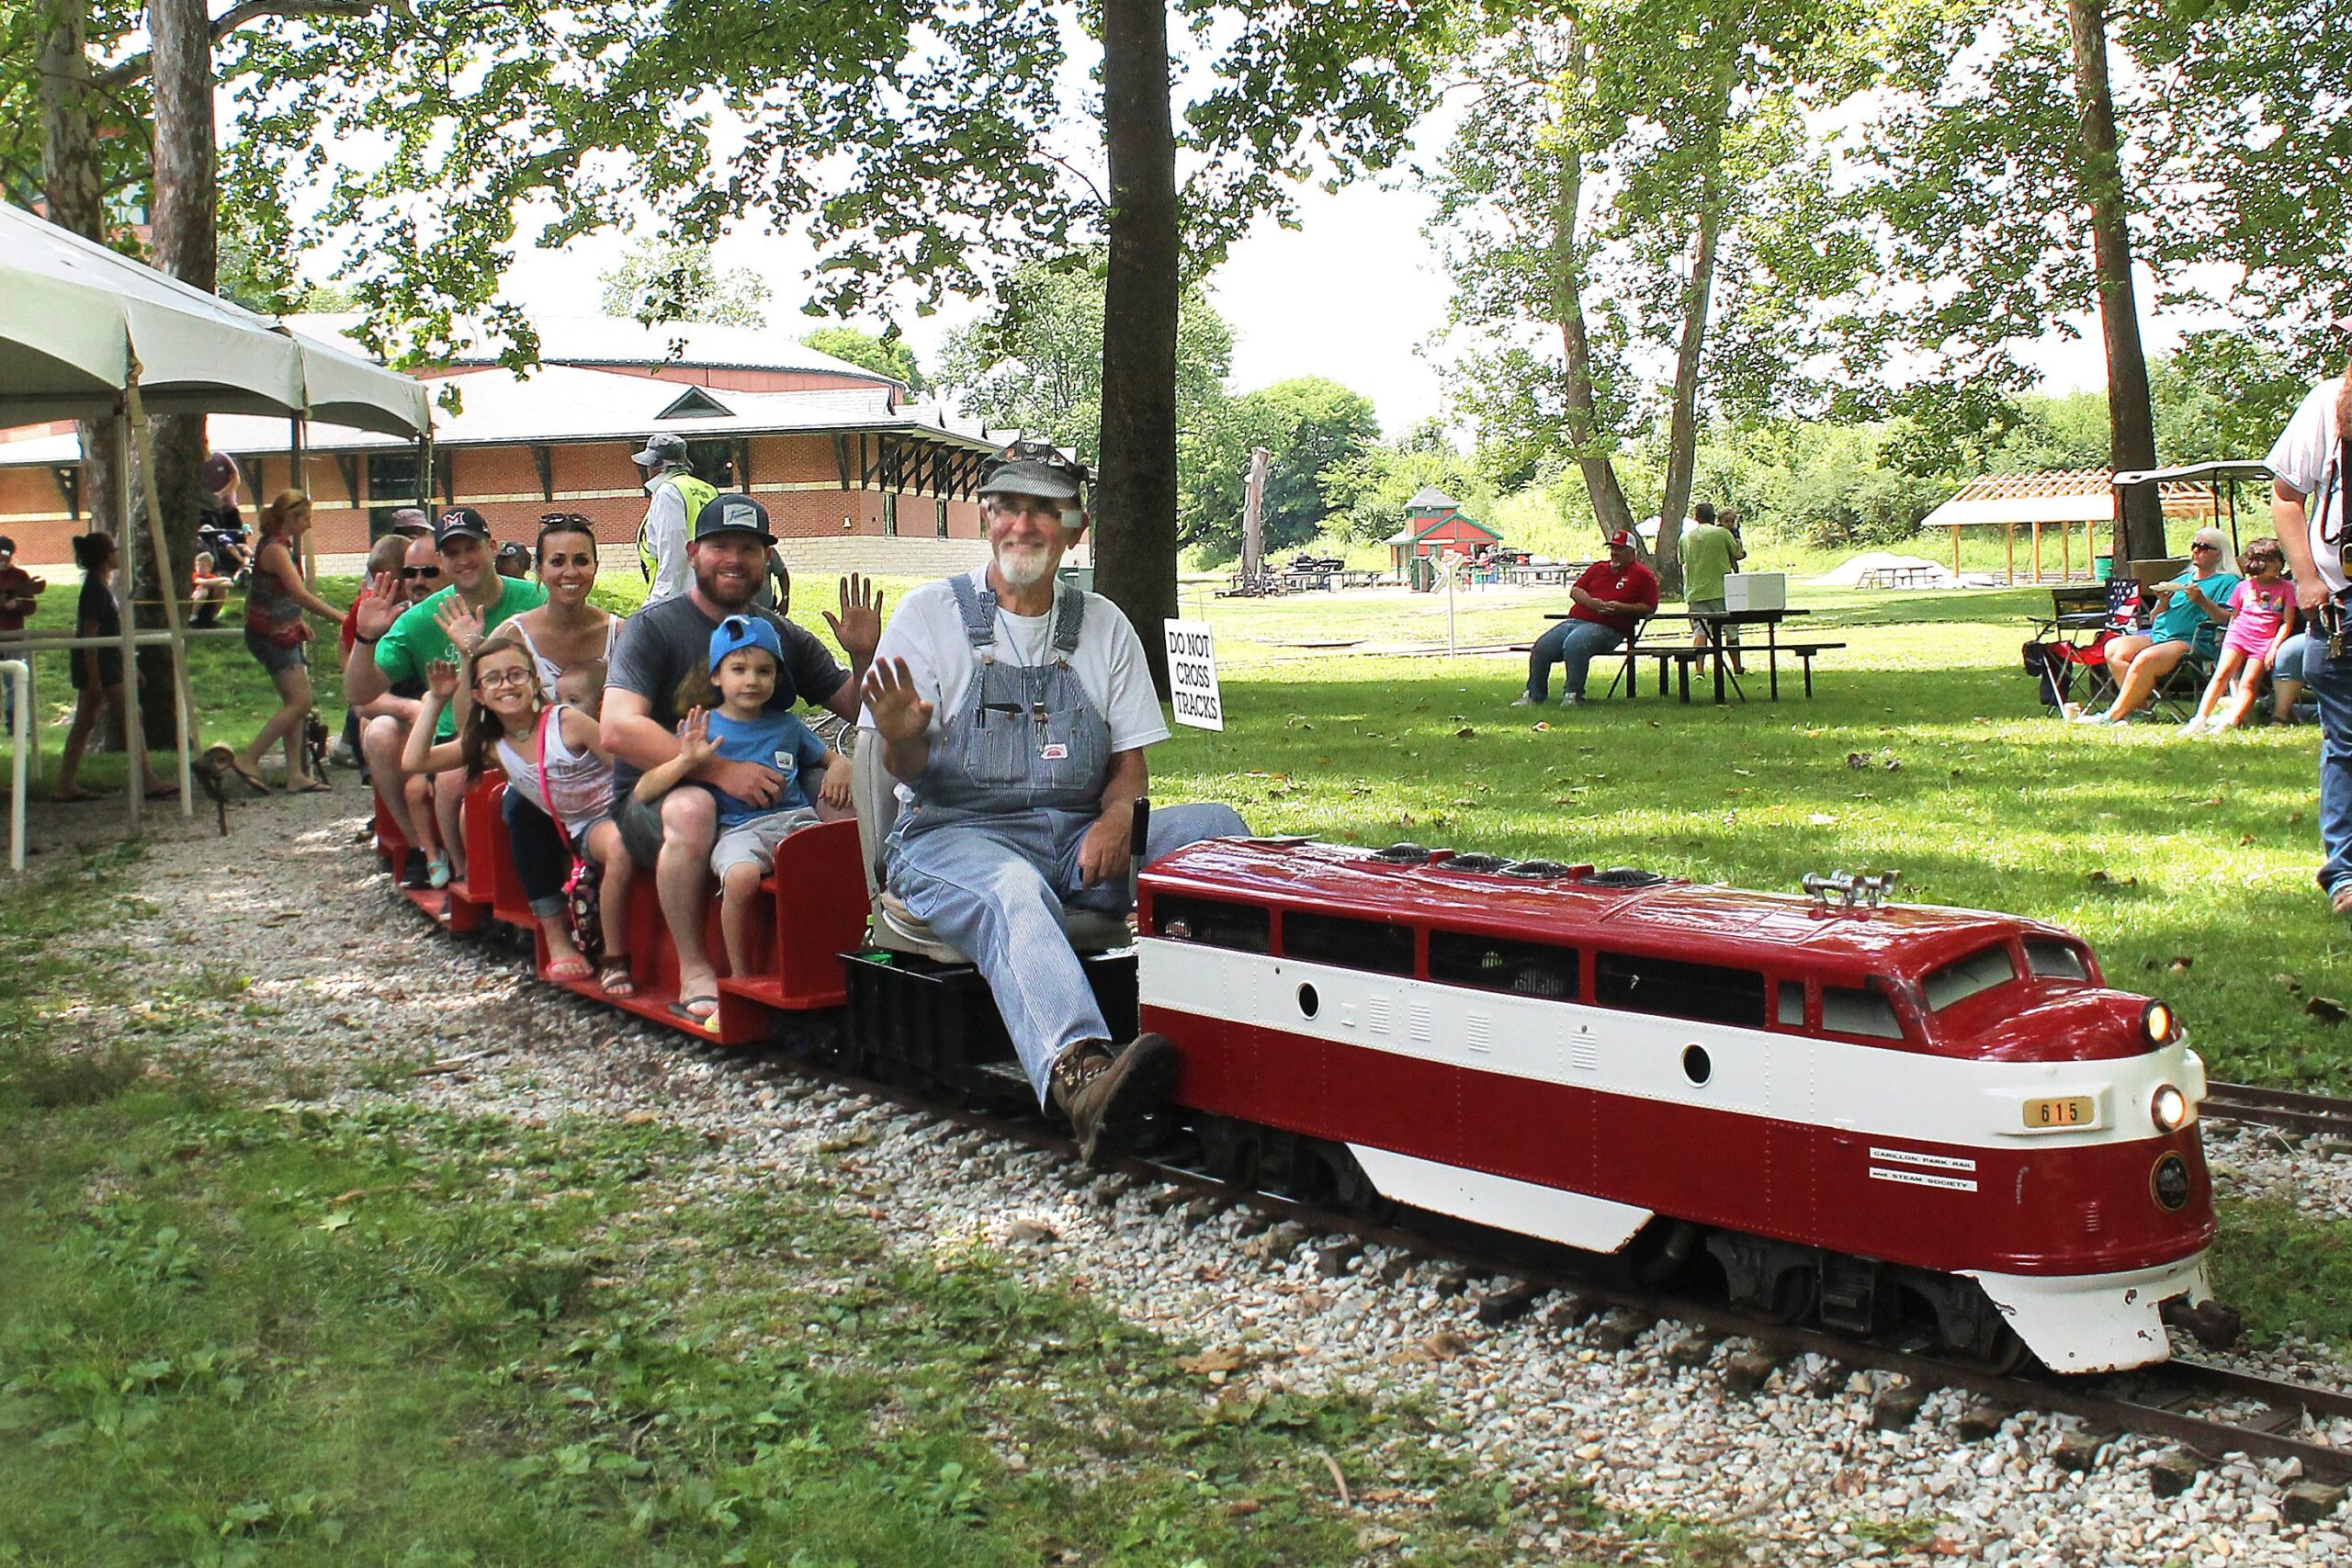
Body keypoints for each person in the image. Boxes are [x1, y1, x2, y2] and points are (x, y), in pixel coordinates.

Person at [859, 441, 1249, 1162]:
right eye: (1008, 505)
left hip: (1074, 837)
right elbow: (903, 767)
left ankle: (1243, 1032)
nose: (1023, 524)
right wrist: (902, 739)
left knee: (1219, 831)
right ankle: (1083, 1075)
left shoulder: (1104, 625)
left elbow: (1129, 766)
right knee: (1014, 887)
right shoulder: (928, 616)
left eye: (1045, 509)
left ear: (1077, 527)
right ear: (986, 518)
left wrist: (1116, 816)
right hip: (950, 839)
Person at [603, 493, 879, 1025]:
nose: (735, 559)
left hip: (766, 805)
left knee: (845, 795)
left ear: (766, 560)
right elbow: (618, 727)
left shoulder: (778, 636)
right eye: (720, 546)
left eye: (749, 548)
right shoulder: (653, 628)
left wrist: (862, 655)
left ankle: (843, 943)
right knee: (693, 809)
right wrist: (721, 772)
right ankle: (696, 968)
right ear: (692, 552)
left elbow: (861, 714)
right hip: (657, 797)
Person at [632, 615, 850, 1009]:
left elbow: (831, 756)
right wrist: (687, 761)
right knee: (741, 877)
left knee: (826, 856)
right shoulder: (704, 727)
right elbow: (644, 789)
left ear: (777, 679)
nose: (752, 680)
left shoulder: (787, 726)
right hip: (739, 830)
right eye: (739, 669)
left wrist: (840, 766)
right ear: (717, 676)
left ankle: (837, 951)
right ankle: (740, 971)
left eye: (764, 671)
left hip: (794, 821)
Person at [400, 637, 636, 996]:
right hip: (580, 825)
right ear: (479, 694)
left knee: (620, 841)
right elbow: (415, 761)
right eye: (492, 679)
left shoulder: (567, 721)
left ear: (534, 681)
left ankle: (615, 953)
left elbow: (621, 769)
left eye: (515, 675)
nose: (506, 685)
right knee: (531, 814)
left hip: (616, 809)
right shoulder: (491, 744)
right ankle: (599, 952)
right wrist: (435, 700)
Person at [347, 507, 547, 885]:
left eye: (470, 547)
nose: (463, 559)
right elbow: (359, 694)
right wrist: (365, 638)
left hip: (529, 723)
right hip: (457, 732)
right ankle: (450, 866)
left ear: (491, 547)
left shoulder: (534, 600)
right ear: (442, 560)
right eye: (452, 553)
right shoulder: (420, 619)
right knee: (455, 777)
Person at [2269, 365, 2352, 912]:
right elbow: (2285, 496)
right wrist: (2305, 579)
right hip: (2342, 605)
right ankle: (2345, 875)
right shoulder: (2327, 404)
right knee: (2346, 744)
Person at [224, 491, 345, 794]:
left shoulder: (280, 547)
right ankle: (249, 759)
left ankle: (296, 774)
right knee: (300, 702)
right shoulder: (276, 550)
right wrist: (342, 618)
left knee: (295, 704)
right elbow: (299, 594)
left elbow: (272, 593)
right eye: (306, 518)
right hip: (270, 636)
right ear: (290, 517)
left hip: (281, 630)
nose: (309, 524)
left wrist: (296, 620)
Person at [2070, 525, 2240, 725]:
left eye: (2203, 547)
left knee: (2145, 658)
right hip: (2159, 635)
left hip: (2191, 641)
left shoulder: (2228, 582)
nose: (2196, 551)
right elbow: (2154, 616)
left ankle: (2111, 716)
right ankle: (2141, 711)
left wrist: (2202, 601)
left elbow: (2228, 619)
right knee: (2115, 648)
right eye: (2194, 546)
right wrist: (2163, 602)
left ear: (2218, 554)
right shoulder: (2182, 579)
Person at [53, 533, 173, 803]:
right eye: (115, 551)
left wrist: (129, 666)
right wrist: (94, 677)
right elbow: (91, 635)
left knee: (87, 721)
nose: (118, 554)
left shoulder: (101, 588)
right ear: (107, 557)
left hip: (108, 661)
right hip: (100, 664)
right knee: (131, 714)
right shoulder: (95, 591)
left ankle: (66, 783)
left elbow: (113, 633)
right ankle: (146, 779)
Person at [1514, 529, 1660, 706]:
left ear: (1632, 553)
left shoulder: (1643, 576)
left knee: (1575, 644)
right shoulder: (1598, 568)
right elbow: (1575, 591)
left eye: (1620, 549)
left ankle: (1573, 695)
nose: (1614, 553)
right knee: (1542, 647)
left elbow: (1649, 607)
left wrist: (1621, 608)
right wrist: (1592, 603)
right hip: (1575, 621)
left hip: (1610, 628)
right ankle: (1533, 695)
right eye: (1612, 548)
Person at [2182, 538, 2296, 737]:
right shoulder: (2244, 586)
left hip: (2264, 640)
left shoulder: (2286, 588)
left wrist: (2274, 647)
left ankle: (2230, 722)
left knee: (2249, 682)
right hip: (2239, 635)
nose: (2277, 567)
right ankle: (2199, 719)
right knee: (2221, 674)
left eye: (2278, 562)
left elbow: (2287, 621)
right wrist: (2229, 639)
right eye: (2271, 563)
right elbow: (2234, 617)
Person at [631, 434, 717, 607]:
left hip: (681, 598)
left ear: (658, 465)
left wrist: (659, 603)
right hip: (709, 592)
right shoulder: (707, 489)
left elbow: (671, 548)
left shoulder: (668, 493)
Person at [1680, 502, 1747, 674]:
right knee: (1731, 630)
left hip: (1695, 592)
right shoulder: (1723, 534)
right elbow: (1737, 554)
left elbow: (1682, 561)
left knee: (1700, 631)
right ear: (1714, 517)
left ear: (1696, 518)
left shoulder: (1685, 538)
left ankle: (1699, 671)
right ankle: (1737, 667)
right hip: (1721, 590)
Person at [0, 534, 42, 734]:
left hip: (12, 634)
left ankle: (15, 724)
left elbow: (30, 606)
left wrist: (17, 605)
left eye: (5, 558)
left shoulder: (20, 577)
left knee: (14, 681)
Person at [188, 551, 232, 628]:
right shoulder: (194, 575)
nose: (200, 568)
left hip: (210, 601)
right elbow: (204, 582)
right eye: (198, 565)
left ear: (210, 568)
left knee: (224, 590)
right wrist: (222, 579)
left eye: (203, 566)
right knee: (203, 590)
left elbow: (230, 584)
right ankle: (193, 615)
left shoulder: (212, 577)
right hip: (196, 599)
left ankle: (214, 615)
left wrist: (220, 583)